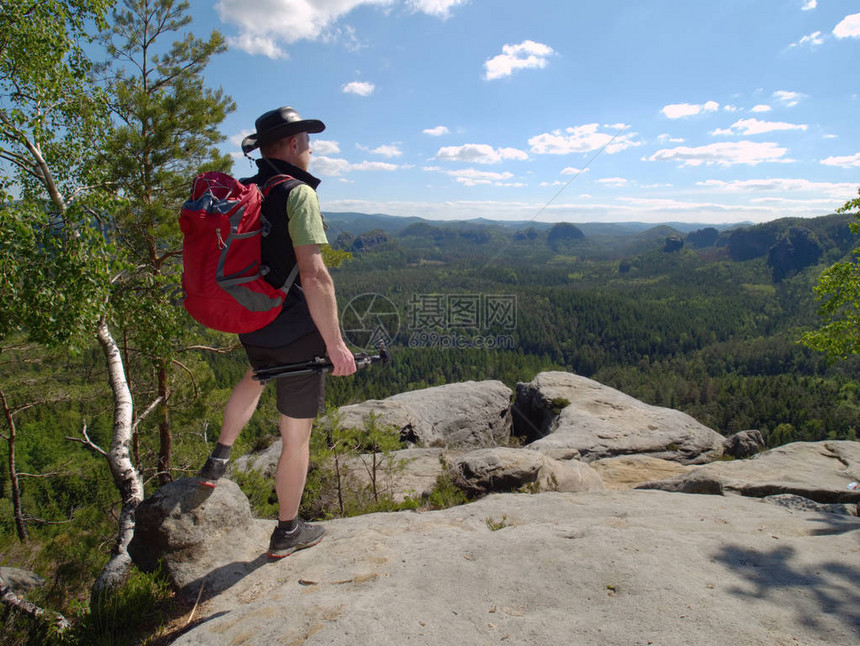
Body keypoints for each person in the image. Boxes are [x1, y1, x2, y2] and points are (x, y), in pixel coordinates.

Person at [198, 106, 356, 558]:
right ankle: (287, 531)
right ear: (290, 144)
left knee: (256, 374)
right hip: (294, 329)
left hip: (253, 321)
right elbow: (315, 275)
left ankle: (220, 456)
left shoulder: (246, 190)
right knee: (296, 435)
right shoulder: (297, 194)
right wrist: (336, 344)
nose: (310, 147)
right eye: (306, 139)